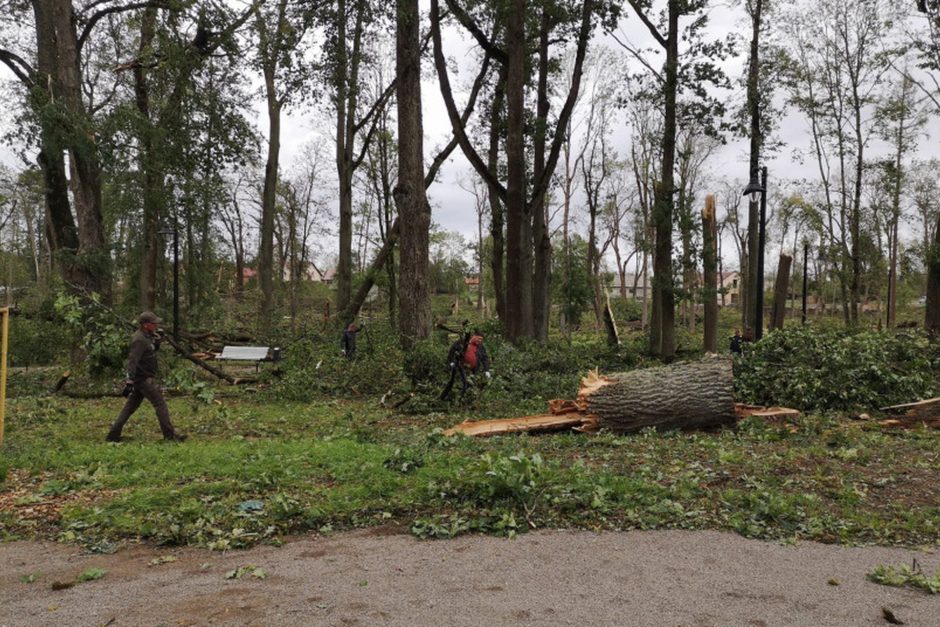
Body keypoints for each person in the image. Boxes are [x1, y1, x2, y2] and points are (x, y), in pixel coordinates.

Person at [106, 312, 187, 443]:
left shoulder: (146, 336)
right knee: (160, 404)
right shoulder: (139, 339)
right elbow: (133, 360)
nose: (156, 326)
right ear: (146, 325)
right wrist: (130, 380)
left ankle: (113, 435)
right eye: (154, 323)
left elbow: (149, 352)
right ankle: (170, 436)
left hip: (141, 379)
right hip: (143, 379)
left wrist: (157, 343)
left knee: (129, 408)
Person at [439, 329, 491, 401]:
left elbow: (485, 358)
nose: (480, 341)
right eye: (479, 339)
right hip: (459, 368)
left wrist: (486, 370)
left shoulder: (480, 347)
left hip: (473, 370)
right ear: (473, 336)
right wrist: (451, 362)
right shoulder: (461, 343)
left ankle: (465, 400)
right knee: (454, 383)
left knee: (470, 385)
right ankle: (445, 398)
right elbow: (452, 352)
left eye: (481, 340)